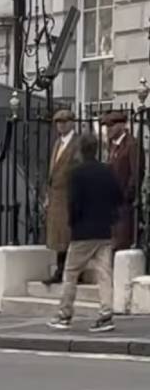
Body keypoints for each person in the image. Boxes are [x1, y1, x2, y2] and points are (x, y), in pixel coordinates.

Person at [47, 133, 122, 333]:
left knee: (70, 273)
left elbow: (74, 203)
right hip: (104, 230)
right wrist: (110, 216)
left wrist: (73, 223)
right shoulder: (107, 171)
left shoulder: (76, 174)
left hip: (82, 232)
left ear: (80, 150)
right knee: (104, 274)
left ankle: (65, 314)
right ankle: (106, 314)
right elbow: (118, 197)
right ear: (96, 149)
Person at [44, 108, 80, 285]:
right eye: (58, 122)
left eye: (64, 122)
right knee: (59, 237)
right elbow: (52, 172)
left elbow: (79, 169)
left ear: (72, 123)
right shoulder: (58, 143)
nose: (61, 125)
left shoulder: (77, 143)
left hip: (69, 195)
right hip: (56, 196)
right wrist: (47, 195)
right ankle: (60, 270)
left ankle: (71, 272)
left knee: (69, 235)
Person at [102, 110, 139, 250]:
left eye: (111, 125)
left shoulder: (131, 145)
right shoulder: (112, 145)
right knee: (112, 242)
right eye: (107, 126)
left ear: (122, 125)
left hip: (123, 203)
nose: (108, 129)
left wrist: (127, 195)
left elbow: (136, 173)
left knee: (122, 242)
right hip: (112, 202)